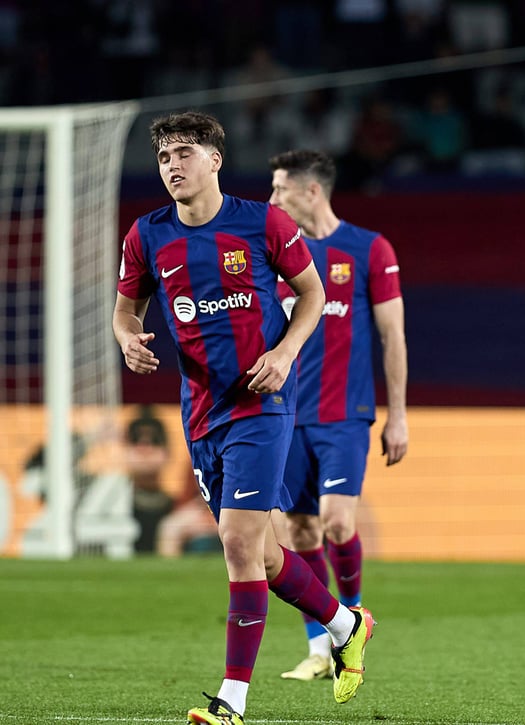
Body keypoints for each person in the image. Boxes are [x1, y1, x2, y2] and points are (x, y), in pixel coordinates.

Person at [114, 111, 375, 725]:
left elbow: (312, 294)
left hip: (261, 403)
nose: (172, 166)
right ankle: (346, 623)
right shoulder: (147, 236)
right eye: (164, 158)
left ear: (215, 161)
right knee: (262, 552)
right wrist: (127, 339)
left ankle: (231, 701)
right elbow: (126, 311)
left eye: (183, 153)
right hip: (202, 412)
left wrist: (285, 353)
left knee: (235, 542)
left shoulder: (264, 222)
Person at [267, 148, 408, 681]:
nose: (272, 198)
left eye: (280, 188)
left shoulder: (368, 248)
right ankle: (322, 648)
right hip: (285, 414)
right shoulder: (276, 252)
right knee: (299, 532)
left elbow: (393, 336)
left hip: (345, 414)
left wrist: (398, 415)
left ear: (311, 191)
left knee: (337, 520)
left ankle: (354, 621)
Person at [124, 406, 175, 554]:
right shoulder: (117, 506)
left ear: (167, 452)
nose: (145, 448)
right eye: (136, 440)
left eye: (154, 441)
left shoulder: (174, 505)